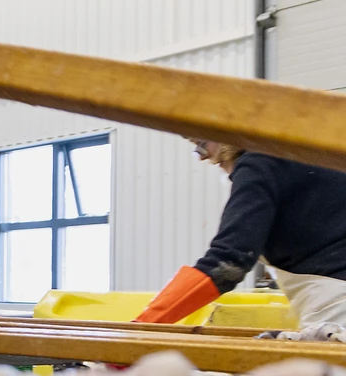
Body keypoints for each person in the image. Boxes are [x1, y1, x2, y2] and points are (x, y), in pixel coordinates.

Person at [134, 139, 346, 326]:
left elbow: (227, 262)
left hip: (337, 305)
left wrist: (143, 325)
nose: (203, 157)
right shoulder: (303, 154)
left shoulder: (260, 163)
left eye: (201, 144)